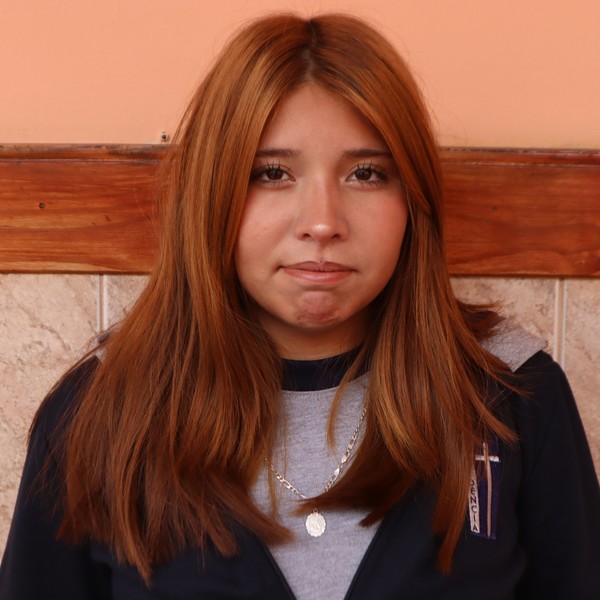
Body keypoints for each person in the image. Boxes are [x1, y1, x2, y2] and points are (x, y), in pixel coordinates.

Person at [1, 13, 599, 600]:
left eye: (366, 173)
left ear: (413, 200)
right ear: (211, 192)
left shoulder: (514, 397)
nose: (322, 222)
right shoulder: (96, 415)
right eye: (272, 173)